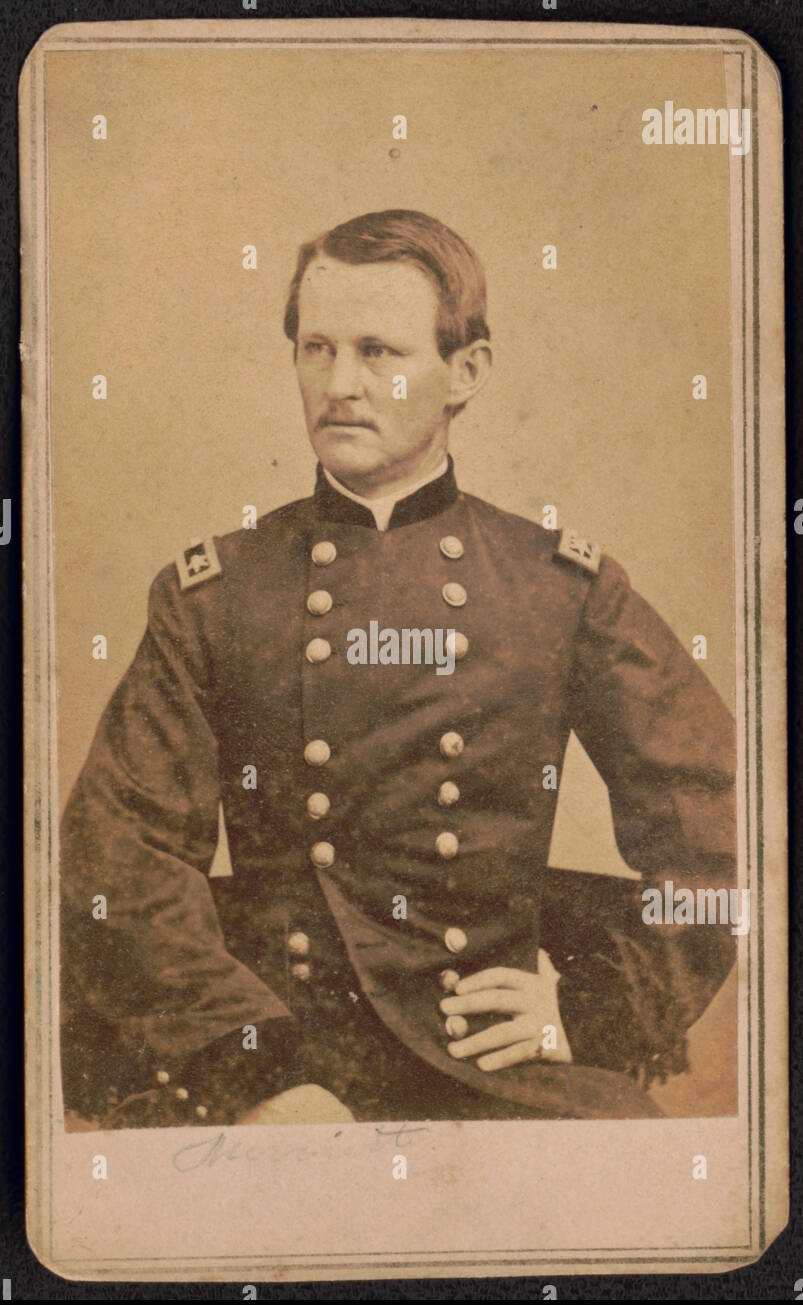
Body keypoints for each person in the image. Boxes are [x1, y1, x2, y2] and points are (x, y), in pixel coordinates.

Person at [60, 209, 737, 1130]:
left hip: (488, 1063)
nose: (340, 385)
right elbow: (119, 855)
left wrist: (589, 1009)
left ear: (466, 373)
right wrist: (253, 1069)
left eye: (379, 352)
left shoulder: (556, 587)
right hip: (271, 1052)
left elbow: (720, 817)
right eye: (316, 349)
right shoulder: (215, 592)